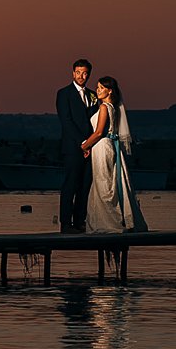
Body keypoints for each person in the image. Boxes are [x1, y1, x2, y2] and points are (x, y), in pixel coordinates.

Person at [82, 76, 147, 233]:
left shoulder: (105, 107)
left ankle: (109, 222)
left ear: (109, 90)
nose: (97, 90)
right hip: (108, 145)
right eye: (97, 87)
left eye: (101, 88)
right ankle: (116, 219)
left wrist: (84, 145)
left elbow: (99, 132)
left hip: (103, 146)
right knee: (108, 182)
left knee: (104, 183)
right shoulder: (114, 107)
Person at [56, 58, 96, 231]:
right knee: (70, 185)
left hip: (91, 147)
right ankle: (66, 223)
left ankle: (80, 221)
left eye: (85, 73)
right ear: (73, 73)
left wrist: (90, 144)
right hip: (73, 147)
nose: (81, 76)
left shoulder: (93, 95)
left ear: (89, 74)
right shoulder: (64, 93)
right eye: (78, 72)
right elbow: (66, 121)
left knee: (85, 185)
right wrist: (83, 143)